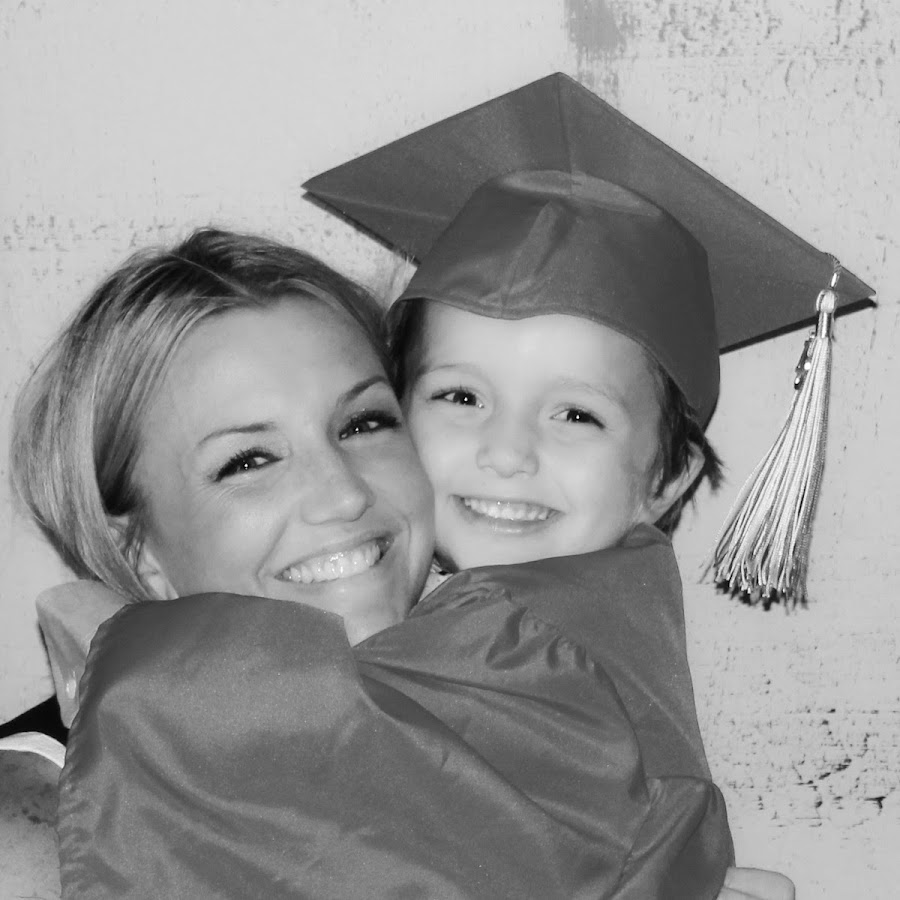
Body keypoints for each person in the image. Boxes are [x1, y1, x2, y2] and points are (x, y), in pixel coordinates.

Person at [12, 227, 737, 898]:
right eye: (249, 461)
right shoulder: (46, 829)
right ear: (139, 551)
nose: (344, 494)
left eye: (363, 423)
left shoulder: (535, 713)